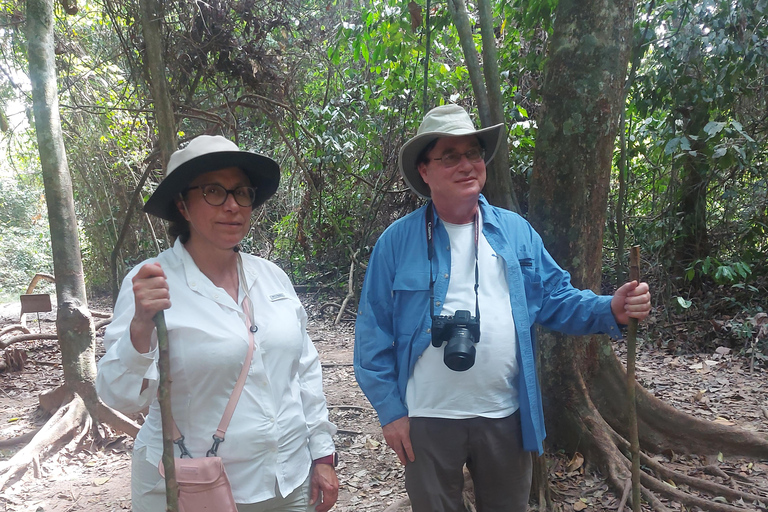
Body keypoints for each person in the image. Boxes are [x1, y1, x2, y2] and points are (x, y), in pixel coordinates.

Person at [353, 104, 651, 512]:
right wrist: (390, 413)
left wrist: (610, 309)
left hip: (505, 415)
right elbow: (373, 334)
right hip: (426, 418)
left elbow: (554, 298)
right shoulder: (396, 242)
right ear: (424, 170)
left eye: (474, 153)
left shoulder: (515, 233)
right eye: (450, 156)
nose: (467, 165)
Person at [96, 135, 339, 512]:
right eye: (213, 191)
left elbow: (303, 371)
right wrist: (140, 328)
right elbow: (120, 397)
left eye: (241, 192)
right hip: (190, 485)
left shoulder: (271, 276)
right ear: (183, 205)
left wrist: (322, 455)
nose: (232, 205)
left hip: (287, 479)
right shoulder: (152, 282)